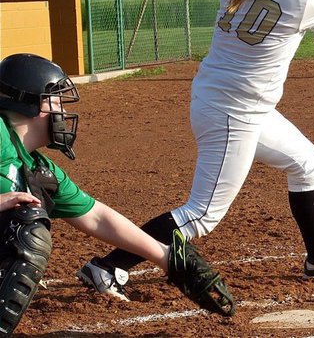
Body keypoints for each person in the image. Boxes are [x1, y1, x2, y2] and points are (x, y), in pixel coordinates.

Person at [80, 0, 314, 299]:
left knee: (306, 162)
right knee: (202, 214)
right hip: (234, 111)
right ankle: (107, 266)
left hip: (233, 101)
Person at [0, 54, 234, 334]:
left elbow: (98, 217)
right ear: (30, 103)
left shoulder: (38, 170)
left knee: (26, 218)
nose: (62, 111)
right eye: (56, 100)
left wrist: (168, 259)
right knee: (26, 226)